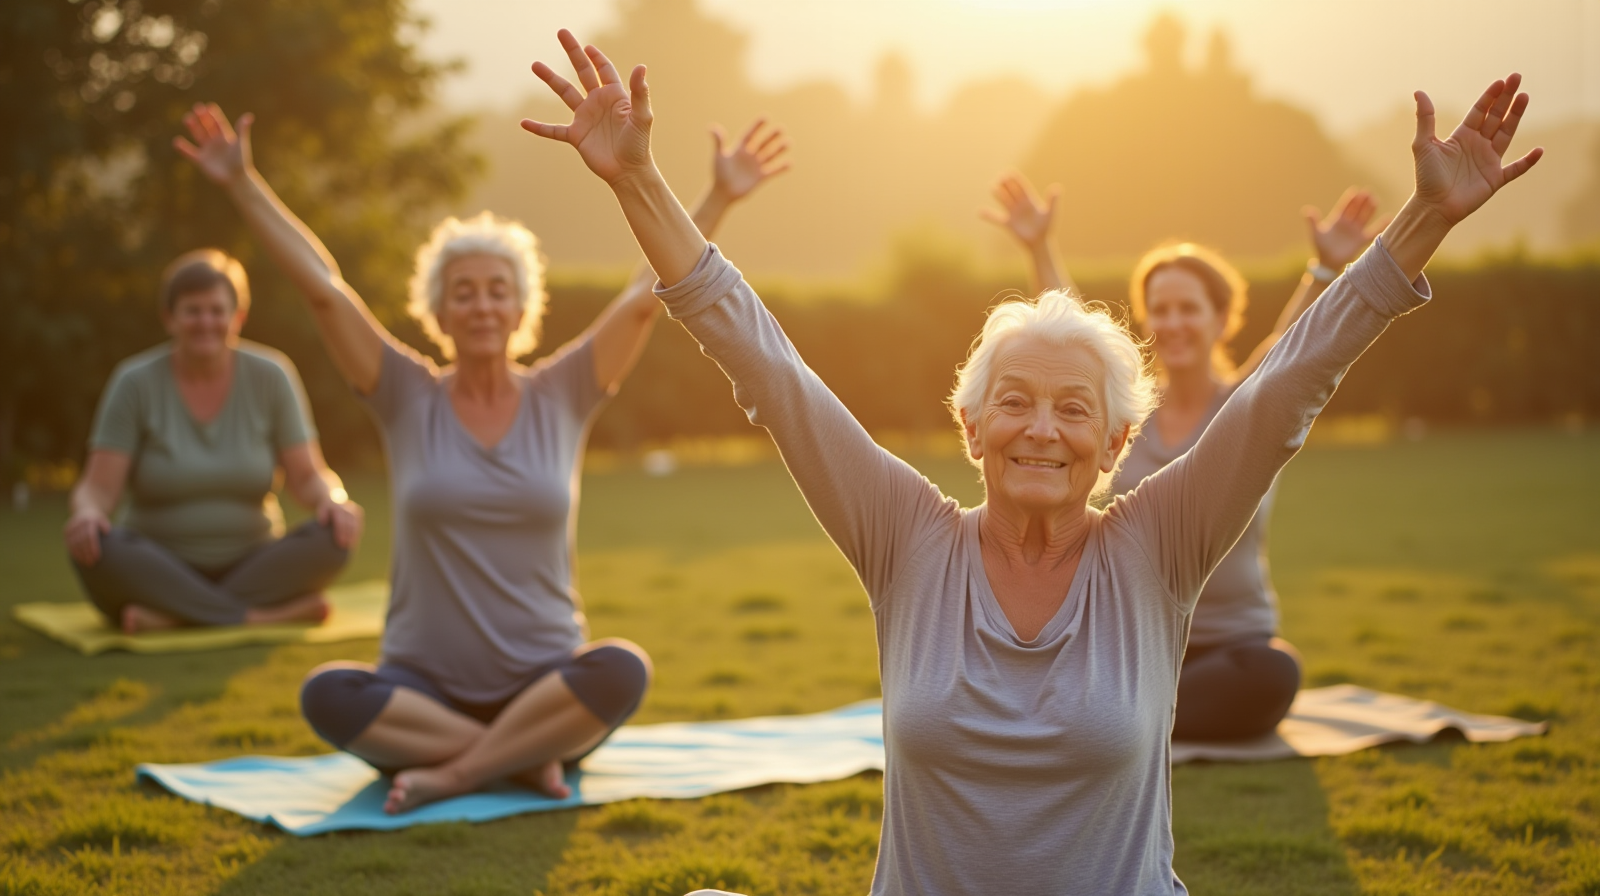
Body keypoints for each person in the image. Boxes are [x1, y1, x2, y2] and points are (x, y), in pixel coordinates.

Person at [522, 30, 1539, 893]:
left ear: (1115, 443)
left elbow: (1288, 388)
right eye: (1012, 402)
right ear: (970, 428)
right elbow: (766, 363)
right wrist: (640, 179)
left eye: (1070, 409)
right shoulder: (905, 537)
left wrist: (1425, 221)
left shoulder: (1158, 546)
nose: (1041, 429)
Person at [171, 91, 790, 813]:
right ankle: (519, 761)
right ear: (438, 311)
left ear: (522, 309)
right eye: (463, 293)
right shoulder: (405, 395)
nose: (483, 305)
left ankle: (456, 770)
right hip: (421, 691)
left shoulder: (565, 391)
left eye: (499, 291)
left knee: (621, 669)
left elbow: (644, 297)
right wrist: (244, 184)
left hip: (547, 684)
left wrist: (716, 197)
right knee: (328, 692)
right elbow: (325, 293)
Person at [984, 173, 1387, 739]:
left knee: (1274, 671)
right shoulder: (1122, 421)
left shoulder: (1248, 417)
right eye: (1160, 310)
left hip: (1230, 651)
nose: (1172, 323)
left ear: (1222, 319)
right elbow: (1072, 338)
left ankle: (1120, 722)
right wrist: (1038, 247)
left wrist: (1323, 272)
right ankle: (1120, 717)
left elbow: (1293, 351)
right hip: (1131, 639)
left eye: (1188, 309)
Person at [64, 248, 361, 634]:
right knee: (98, 550)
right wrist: (87, 513)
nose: (206, 322)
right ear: (169, 318)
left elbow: (309, 477)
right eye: (192, 310)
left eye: (217, 310)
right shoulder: (133, 382)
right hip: (158, 564)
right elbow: (98, 488)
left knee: (332, 539)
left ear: (238, 317)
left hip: (255, 560)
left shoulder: (273, 375)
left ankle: (176, 617)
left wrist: (333, 501)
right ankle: (262, 615)